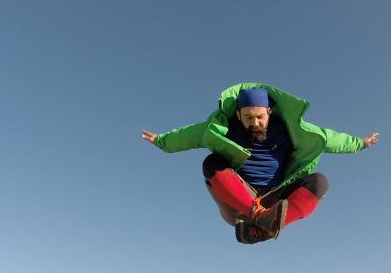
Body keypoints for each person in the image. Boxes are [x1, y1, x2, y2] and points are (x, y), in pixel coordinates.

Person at [141, 83, 378, 244]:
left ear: (270, 112)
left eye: (260, 116)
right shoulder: (221, 130)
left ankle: (268, 225)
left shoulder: (290, 130)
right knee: (211, 162)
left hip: (275, 197)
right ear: (238, 116)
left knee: (319, 182)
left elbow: (331, 138)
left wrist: (361, 143)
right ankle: (259, 216)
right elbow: (187, 135)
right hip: (241, 197)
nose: (255, 122)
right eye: (248, 118)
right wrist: (162, 141)